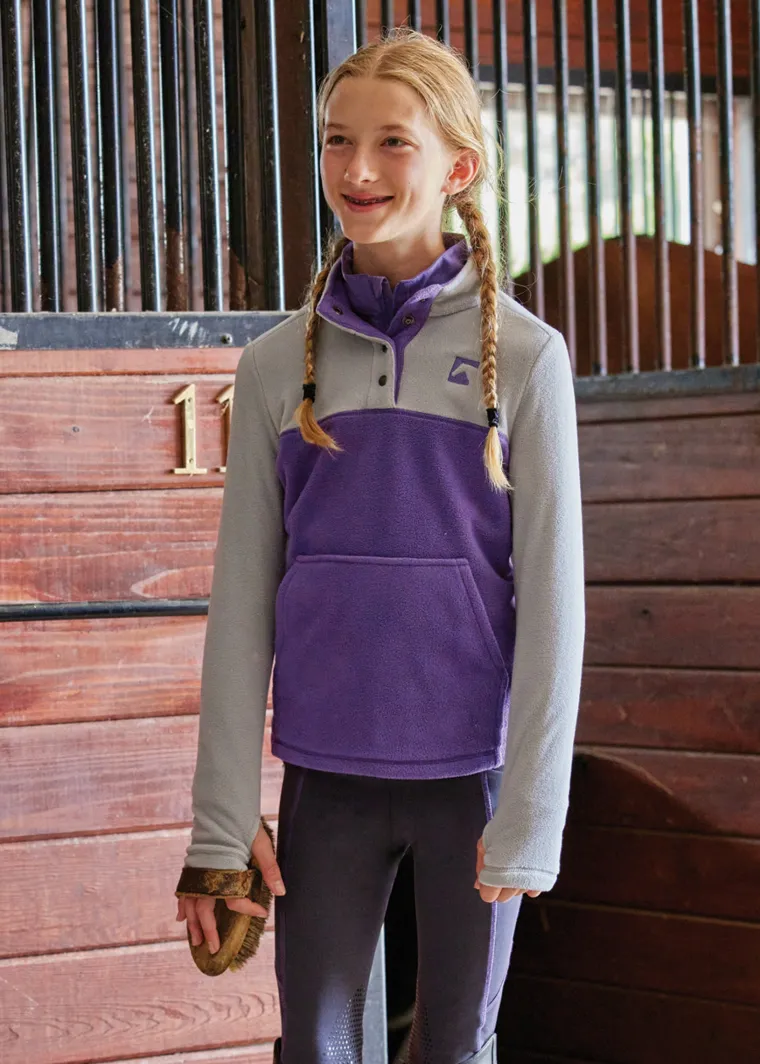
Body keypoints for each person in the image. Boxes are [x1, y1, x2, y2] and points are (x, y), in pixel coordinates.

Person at [175, 26, 585, 1064]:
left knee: (456, 1048)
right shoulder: (277, 366)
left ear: (459, 166)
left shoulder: (528, 359)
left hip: (473, 781)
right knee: (313, 1048)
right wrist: (221, 822)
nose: (356, 169)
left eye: (392, 141)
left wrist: (533, 814)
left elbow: (554, 603)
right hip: (327, 777)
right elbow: (240, 603)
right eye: (335, 139)